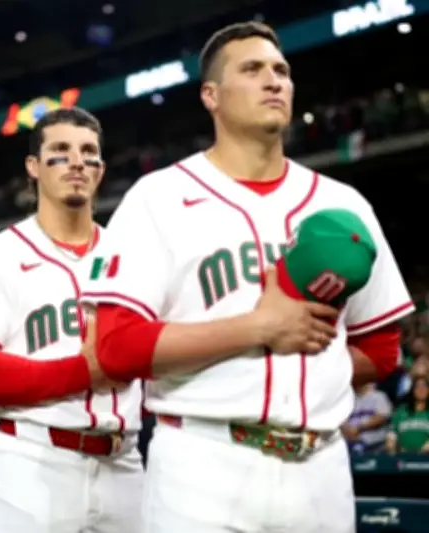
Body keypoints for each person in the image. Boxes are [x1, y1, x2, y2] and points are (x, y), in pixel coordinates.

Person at [80, 22, 413, 533]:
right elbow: (117, 348)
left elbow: (383, 349)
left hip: (321, 465)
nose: (274, 81)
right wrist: (258, 330)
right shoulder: (158, 198)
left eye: (281, 70)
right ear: (210, 95)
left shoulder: (345, 204)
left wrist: (305, 373)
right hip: (203, 462)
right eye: (253, 69)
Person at [0, 108, 144, 533]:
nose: (76, 161)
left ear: (101, 170)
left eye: (89, 152)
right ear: (33, 167)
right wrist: (82, 371)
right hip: (34, 461)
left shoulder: (135, 255)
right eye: (60, 151)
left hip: (126, 464)